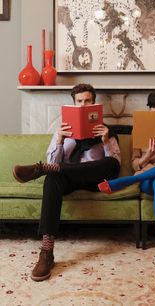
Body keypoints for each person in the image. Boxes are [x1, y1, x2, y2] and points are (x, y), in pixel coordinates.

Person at [12, 83, 121, 282]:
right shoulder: (62, 129)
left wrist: (105, 141)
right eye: (79, 101)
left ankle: (40, 169)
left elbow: (116, 165)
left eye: (87, 101)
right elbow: (54, 160)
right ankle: (46, 251)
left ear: (94, 103)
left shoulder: (106, 130)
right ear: (74, 103)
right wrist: (61, 139)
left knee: (111, 163)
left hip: (95, 179)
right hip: (68, 177)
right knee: (53, 175)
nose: (83, 104)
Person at [98, 90, 155, 276]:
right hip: (150, 178)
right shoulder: (139, 129)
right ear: (149, 110)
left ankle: (127, 181)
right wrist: (148, 155)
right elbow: (135, 163)